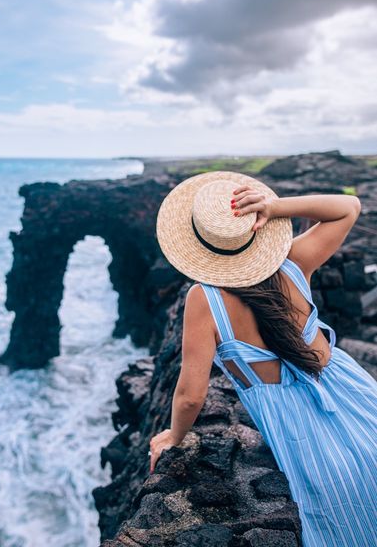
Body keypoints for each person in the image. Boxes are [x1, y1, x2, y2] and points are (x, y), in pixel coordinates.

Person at [150, 170, 377, 547]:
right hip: (353, 393)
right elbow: (348, 207)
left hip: (298, 428)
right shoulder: (293, 261)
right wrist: (275, 208)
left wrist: (173, 438)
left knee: (345, 525)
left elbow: (191, 395)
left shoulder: (204, 298)